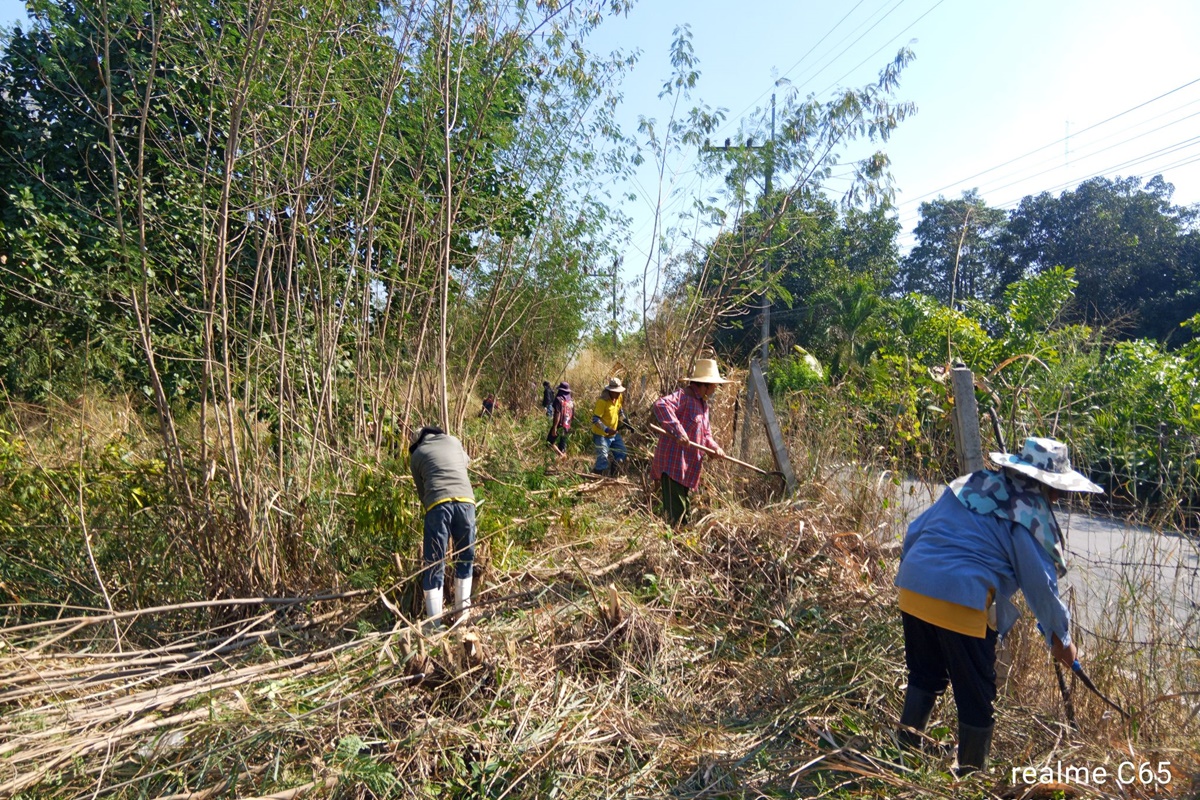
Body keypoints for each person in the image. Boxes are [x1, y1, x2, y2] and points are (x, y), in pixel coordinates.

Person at [894, 436, 1103, 776]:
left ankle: (900, 757)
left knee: (924, 674)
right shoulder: (1030, 514)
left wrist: (915, 577)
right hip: (962, 597)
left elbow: (915, 530)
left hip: (914, 584)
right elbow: (1041, 586)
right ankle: (972, 778)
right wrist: (1062, 640)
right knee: (977, 697)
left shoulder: (969, 483)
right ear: (1054, 487)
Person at [409, 425, 477, 628]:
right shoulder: (454, 441)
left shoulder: (417, 455)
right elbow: (465, 463)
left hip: (437, 506)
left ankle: (434, 626)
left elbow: (422, 493)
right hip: (467, 502)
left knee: (434, 564)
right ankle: (462, 619)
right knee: (465, 557)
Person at [650, 358, 730, 525]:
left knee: (683, 510)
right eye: (714, 384)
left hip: (687, 467)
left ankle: (678, 543)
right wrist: (679, 432)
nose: (716, 388)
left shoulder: (703, 405)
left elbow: (706, 435)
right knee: (677, 515)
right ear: (704, 385)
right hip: (673, 465)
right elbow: (660, 405)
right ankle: (672, 547)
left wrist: (715, 449)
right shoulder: (683, 396)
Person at [591, 377, 628, 476]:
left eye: (619, 391)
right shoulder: (602, 401)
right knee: (603, 457)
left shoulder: (619, 397)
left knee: (622, 452)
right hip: (601, 434)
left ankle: (614, 475)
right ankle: (596, 476)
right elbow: (595, 420)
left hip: (614, 433)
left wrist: (625, 420)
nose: (618, 393)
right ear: (610, 391)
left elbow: (620, 410)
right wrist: (606, 429)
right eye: (616, 392)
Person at [547, 381, 573, 457]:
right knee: (562, 445)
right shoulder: (571, 401)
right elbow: (572, 414)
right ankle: (563, 461)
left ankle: (561, 455)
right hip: (567, 425)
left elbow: (557, 413)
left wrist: (554, 427)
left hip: (559, 424)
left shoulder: (558, 399)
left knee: (549, 442)